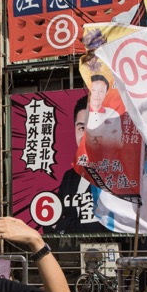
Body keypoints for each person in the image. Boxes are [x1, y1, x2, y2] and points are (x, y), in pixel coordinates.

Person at [51, 95, 108, 234]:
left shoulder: (117, 174)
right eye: (81, 128)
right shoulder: (70, 177)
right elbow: (52, 223)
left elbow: (101, 227)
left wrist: (67, 225)